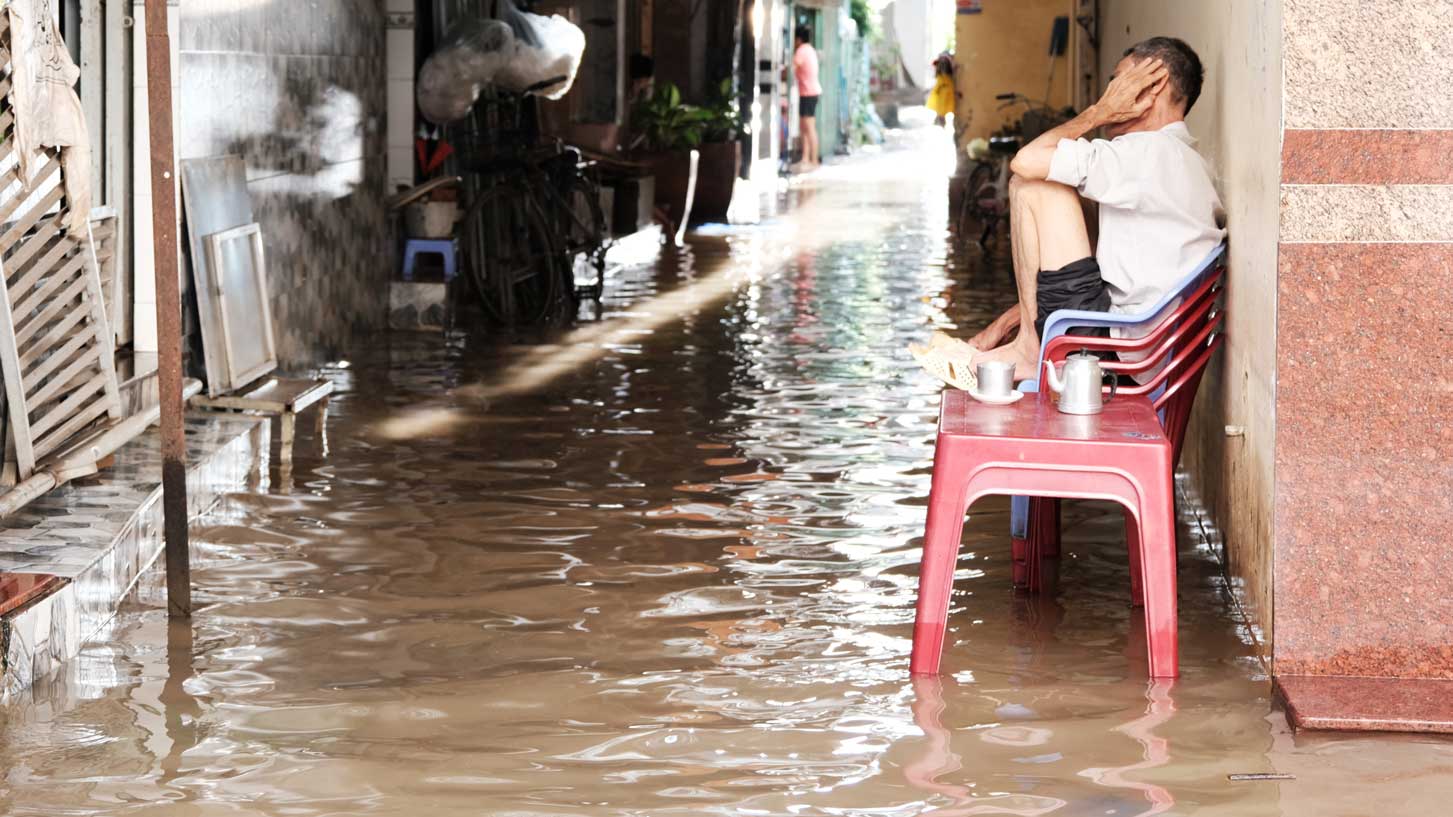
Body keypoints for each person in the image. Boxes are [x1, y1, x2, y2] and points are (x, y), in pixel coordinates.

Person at [919, 37, 1225, 383]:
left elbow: (1026, 161)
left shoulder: (1145, 153)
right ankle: (1024, 344)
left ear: (1152, 86)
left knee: (1033, 184)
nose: (1108, 92)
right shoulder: (1181, 159)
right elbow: (1091, 274)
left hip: (1124, 357)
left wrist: (1100, 113)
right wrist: (1000, 325)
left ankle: (1029, 350)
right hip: (1146, 351)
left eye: (1117, 81)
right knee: (1068, 199)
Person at [793, 26, 823, 171]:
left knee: (809, 128)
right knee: (804, 127)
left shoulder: (801, 51)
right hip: (810, 92)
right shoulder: (810, 49)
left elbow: (791, 68)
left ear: (798, 39)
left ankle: (814, 159)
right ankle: (806, 159)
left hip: (808, 93)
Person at [927, 53, 956, 127]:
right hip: (941, 92)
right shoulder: (940, 75)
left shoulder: (948, 75)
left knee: (942, 107)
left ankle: (940, 119)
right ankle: (940, 118)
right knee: (940, 107)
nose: (943, 65)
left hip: (946, 92)